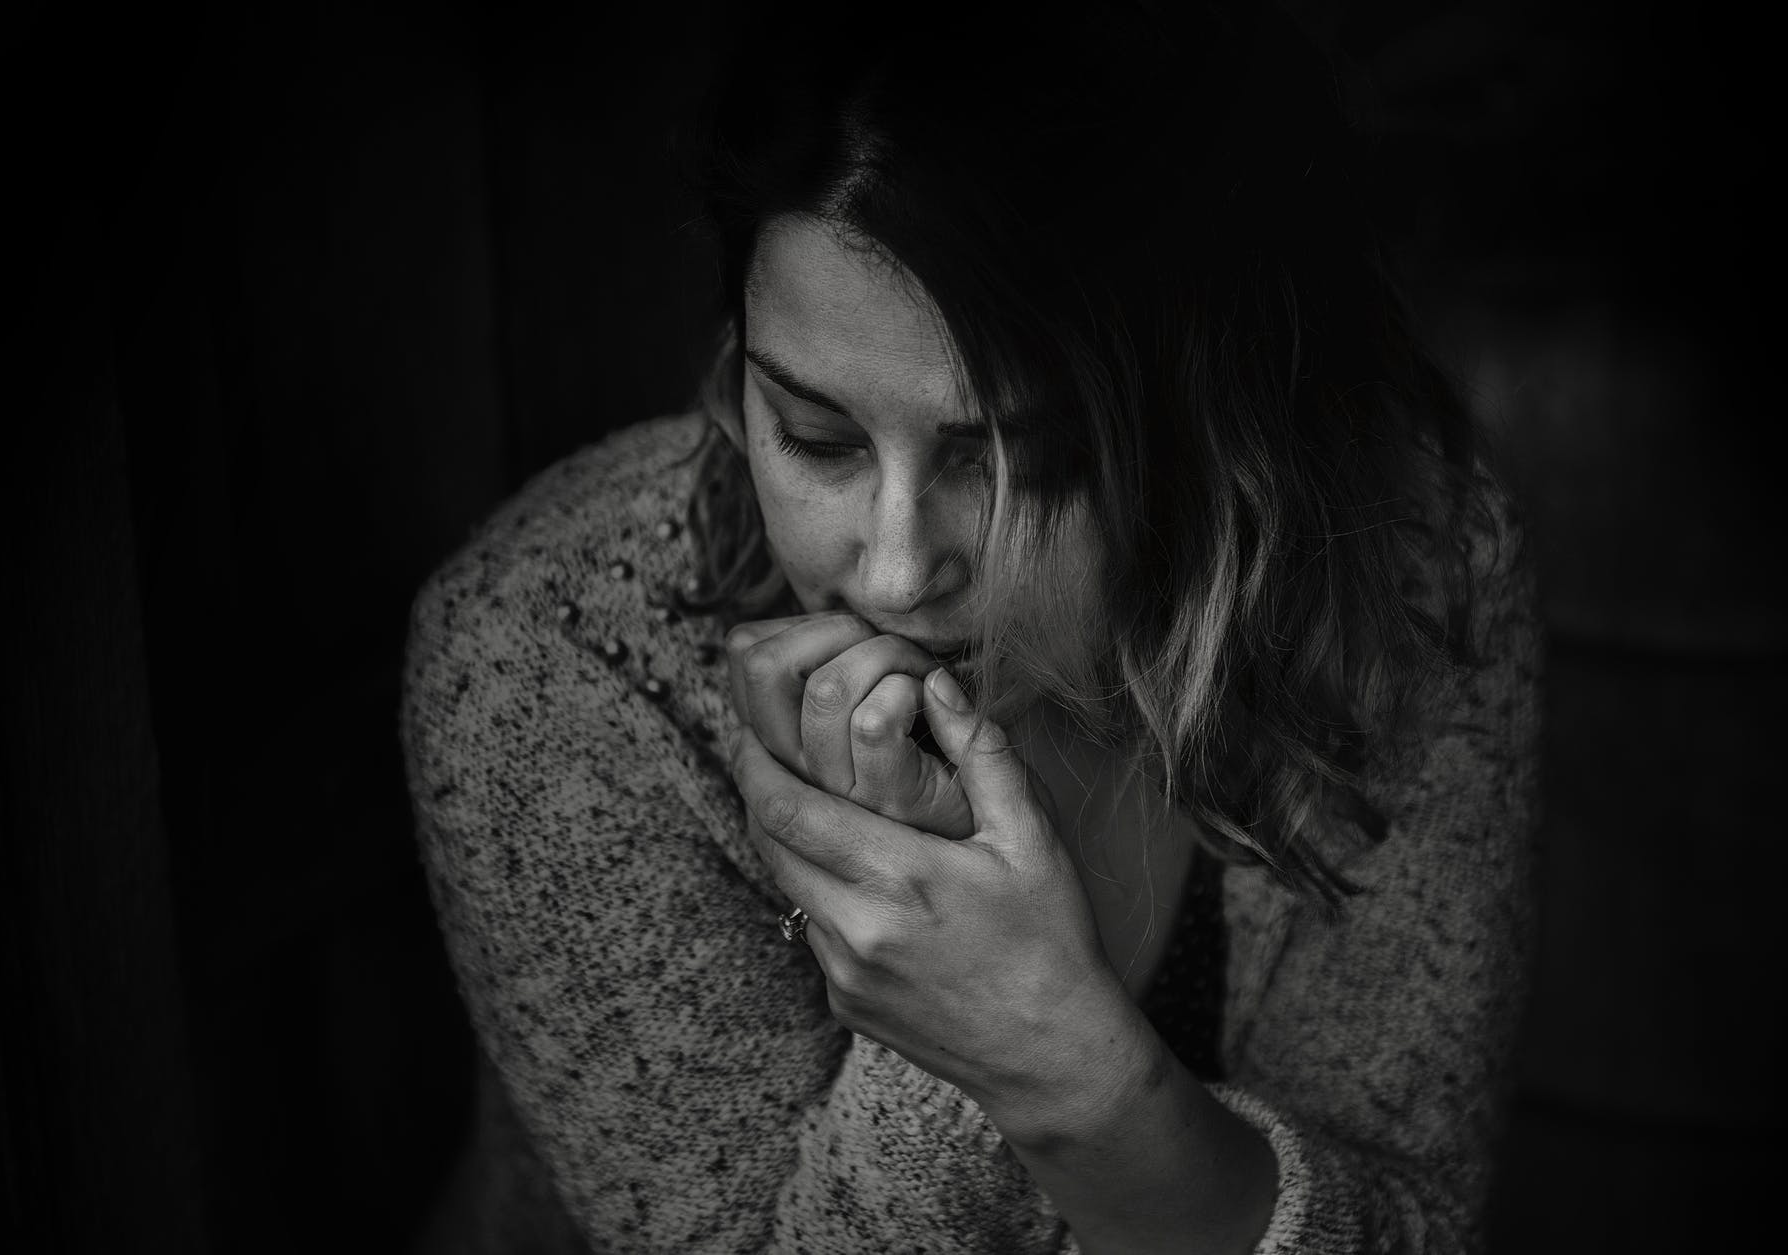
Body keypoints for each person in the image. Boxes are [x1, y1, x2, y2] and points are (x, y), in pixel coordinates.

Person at [400, 3, 1541, 1252]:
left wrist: (1060, 1064)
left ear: (1224, 434)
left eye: (1028, 461)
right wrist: (944, 1036)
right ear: (736, 372)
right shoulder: (555, 657)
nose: (894, 570)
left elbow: (1417, 1227)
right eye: (816, 437)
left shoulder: (1398, 566)